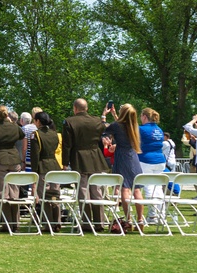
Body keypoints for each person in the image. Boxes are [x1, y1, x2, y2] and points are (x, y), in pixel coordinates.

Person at [61, 98, 110, 230]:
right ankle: (100, 222)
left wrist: (65, 162)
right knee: (96, 191)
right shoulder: (96, 121)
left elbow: (66, 145)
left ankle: (86, 222)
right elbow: (103, 133)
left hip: (79, 157)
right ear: (86, 108)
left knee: (83, 191)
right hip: (95, 157)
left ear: (75, 109)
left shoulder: (69, 122)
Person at [102, 103, 144, 226]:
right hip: (133, 157)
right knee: (136, 189)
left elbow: (105, 128)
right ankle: (140, 220)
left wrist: (104, 115)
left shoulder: (116, 126)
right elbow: (122, 126)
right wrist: (115, 115)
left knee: (124, 189)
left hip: (121, 156)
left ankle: (128, 219)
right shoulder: (134, 126)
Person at [0, 105, 25, 231]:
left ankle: (6, 223)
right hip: (14, 159)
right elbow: (22, 135)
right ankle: (16, 223)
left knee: (3, 193)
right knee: (15, 192)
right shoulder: (15, 126)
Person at [30, 112, 61, 229]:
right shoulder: (54, 134)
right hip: (54, 165)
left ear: (38, 121)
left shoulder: (36, 135)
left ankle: (48, 222)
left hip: (42, 166)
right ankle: (57, 222)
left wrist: (34, 170)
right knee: (55, 195)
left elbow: (35, 154)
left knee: (44, 196)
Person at [137, 108, 167, 222]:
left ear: (144, 116)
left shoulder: (142, 129)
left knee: (148, 187)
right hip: (160, 160)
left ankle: (152, 215)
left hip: (146, 160)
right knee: (158, 187)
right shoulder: (159, 129)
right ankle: (161, 214)